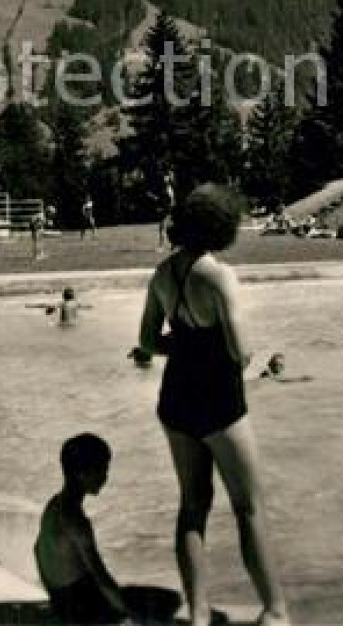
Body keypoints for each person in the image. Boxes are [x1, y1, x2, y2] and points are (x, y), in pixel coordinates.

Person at [131, 184, 289, 625]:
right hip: (218, 398)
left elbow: (146, 341)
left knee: (192, 506)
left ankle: (198, 614)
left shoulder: (162, 274)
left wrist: (184, 347)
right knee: (249, 506)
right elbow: (240, 350)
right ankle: (275, 611)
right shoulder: (218, 275)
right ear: (222, 225)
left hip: (176, 394)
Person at [35, 433, 182, 626]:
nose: (105, 477)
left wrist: (54, 595)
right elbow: (100, 576)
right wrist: (125, 614)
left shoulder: (53, 506)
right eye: (101, 470)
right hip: (81, 606)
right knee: (168, 601)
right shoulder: (77, 522)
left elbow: (37, 551)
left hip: (63, 599)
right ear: (82, 473)